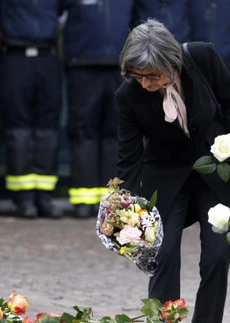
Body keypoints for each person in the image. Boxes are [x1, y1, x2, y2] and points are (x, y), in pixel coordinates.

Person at [116, 20, 230, 323]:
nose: (145, 84)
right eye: (138, 76)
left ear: (172, 64)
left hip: (216, 169)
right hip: (167, 174)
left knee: (216, 255)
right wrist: (127, 210)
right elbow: (129, 158)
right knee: (163, 250)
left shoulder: (202, 57)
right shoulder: (127, 96)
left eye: (152, 76)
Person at [64, 0, 134, 219]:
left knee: (117, 133)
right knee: (83, 131)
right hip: (83, 64)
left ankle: (111, 200)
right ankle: (83, 200)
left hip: (120, 67)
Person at [0, 0, 64, 219]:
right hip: (15, 56)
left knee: (48, 129)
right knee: (18, 129)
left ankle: (44, 196)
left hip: (48, 57)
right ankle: (23, 197)